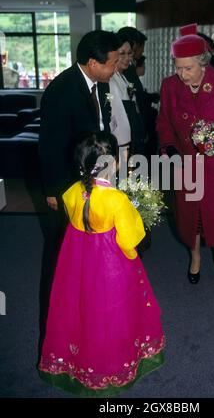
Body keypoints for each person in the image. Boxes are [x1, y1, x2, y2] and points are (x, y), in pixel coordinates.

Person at [38, 131, 165, 396]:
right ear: (114, 163)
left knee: (80, 306)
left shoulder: (71, 192)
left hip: (78, 262)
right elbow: (131, 240)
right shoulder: (116, 199)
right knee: (113, 311)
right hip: (111, 266)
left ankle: (79, 362)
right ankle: (113, 366)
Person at [38, 30, 120, 353]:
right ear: (92, 62)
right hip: (65, 187)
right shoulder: (62, 90)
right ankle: (61, 322)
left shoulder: (96, 83)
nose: (116, 68)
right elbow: (50, 146)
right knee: (60, 251)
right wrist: (54, 192)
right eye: (112, 63)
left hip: (88, 179)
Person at [156, 23, 214, 286]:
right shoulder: (170, 86)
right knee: (189, 215)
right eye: (178, 67)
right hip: (186, 164)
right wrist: (169, 147)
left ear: (203, 63)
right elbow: (163, 123)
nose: (182, 74)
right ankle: (195, 257)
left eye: (188, 68)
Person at [109, 32, 145, 157]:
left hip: (134, 138)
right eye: (122, 53)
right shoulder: (110, 79)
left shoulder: (124, 76)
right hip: (122, 143)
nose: (127, 58)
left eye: (129, 53)